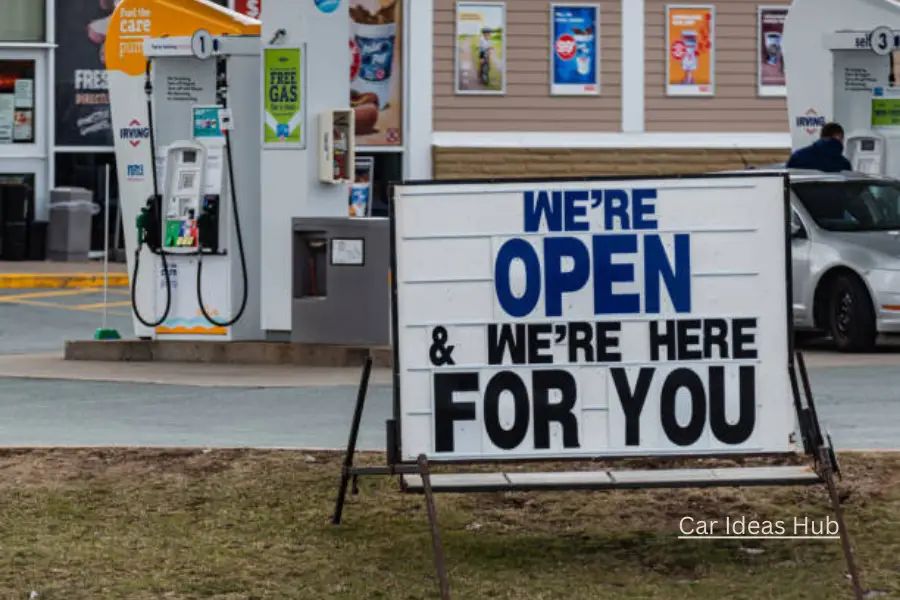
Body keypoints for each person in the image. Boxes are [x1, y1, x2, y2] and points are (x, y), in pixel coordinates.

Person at [787, 122, 853, 172]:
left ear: (821, 137)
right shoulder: (844, 164)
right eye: (842, 139)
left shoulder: (797, 157)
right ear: (838, 137)